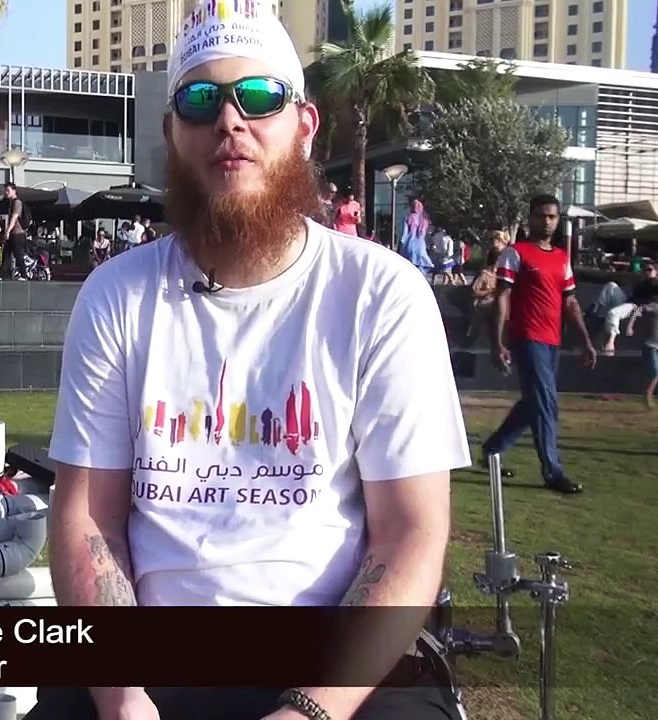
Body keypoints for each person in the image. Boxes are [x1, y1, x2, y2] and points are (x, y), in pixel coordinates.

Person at [35, 3, 470, 719]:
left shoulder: (381, 294)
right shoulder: (117, 295)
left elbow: (409, 533)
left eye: (260, 96)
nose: (230, 120)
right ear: (172, 133)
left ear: (304, 126)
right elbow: (88, 520)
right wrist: (121, 695)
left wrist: (309, 710)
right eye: (200, 100)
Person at [481, 195, 596, 495]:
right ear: (530, 218)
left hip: (552, 340)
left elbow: (570, 302)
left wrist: (585, 340)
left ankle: (492, 450)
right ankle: (552, 471)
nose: (547, 221)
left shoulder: (561, 258)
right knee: (546, 402)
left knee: (534, 401)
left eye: (552, 217)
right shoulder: (515, 253)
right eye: (541, 216)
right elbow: (502, 297)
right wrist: (497, 342)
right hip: (527, 337)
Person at [2, 182, 31, 279]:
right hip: (12, 234)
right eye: (5, 191)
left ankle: (24, 275)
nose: (6, 193)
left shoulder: (17, 202)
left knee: (18, 255)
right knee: (6, 254)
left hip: (17, 234)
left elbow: (14, 217)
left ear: (14, 191)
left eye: (8, 190)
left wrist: (8, 230)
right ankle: (4, 276)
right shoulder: (11, 203)